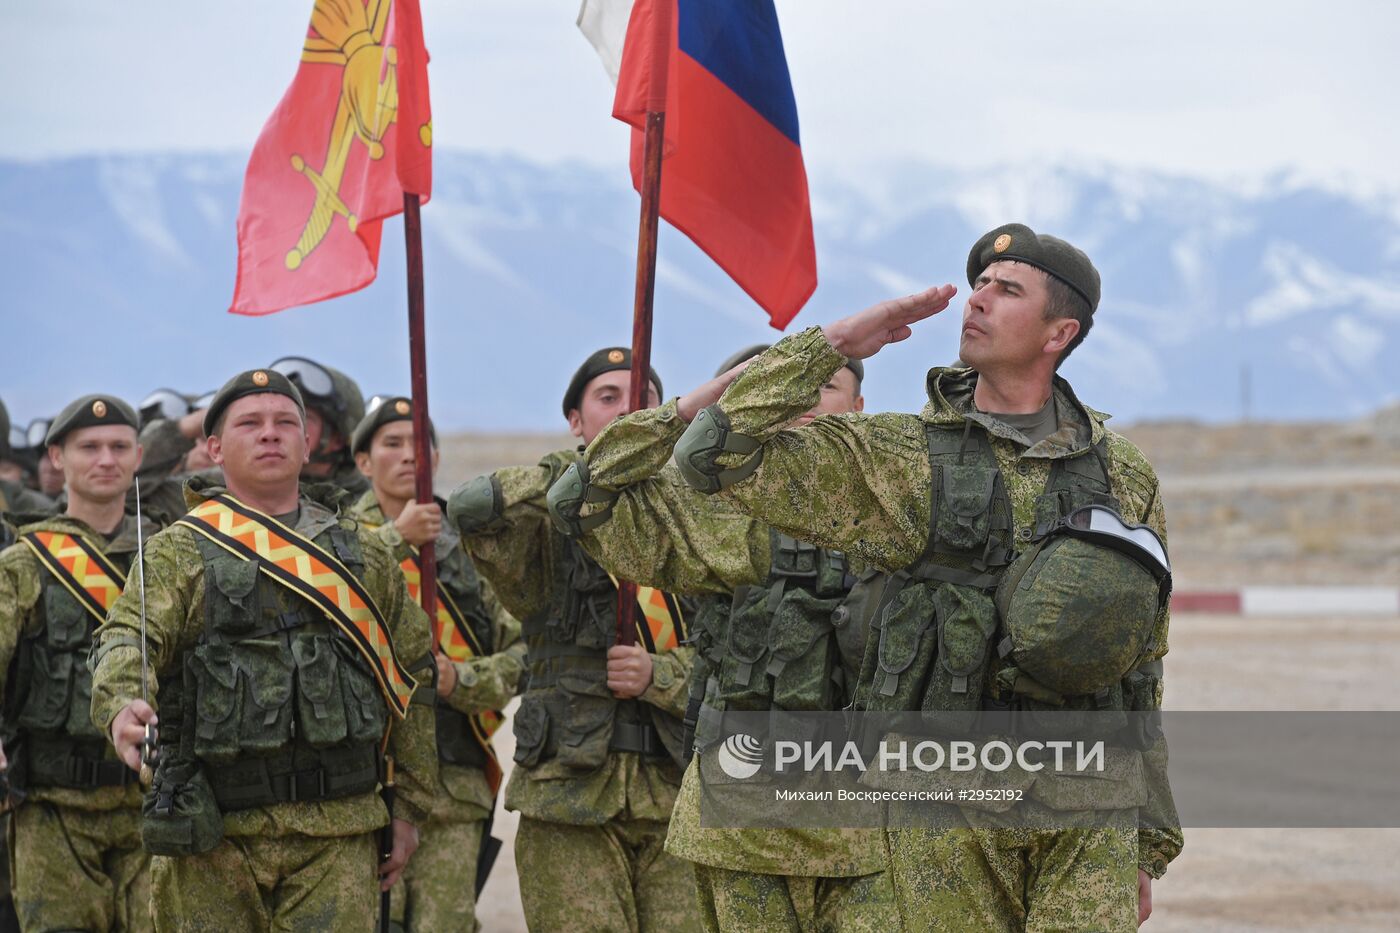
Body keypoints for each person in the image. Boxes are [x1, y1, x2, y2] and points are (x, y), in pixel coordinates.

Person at [657, 224, 1182, 931]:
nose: (978, 300)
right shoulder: (899, 458)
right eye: (978, 286)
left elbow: (1143, 655)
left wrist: (1147, 838)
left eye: (1006, 290)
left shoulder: (1122, 472)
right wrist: (831, 346)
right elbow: (709, 454)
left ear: (1060, 331)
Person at [548, 348, 903, 930]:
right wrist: (682, 413)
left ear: (859, 406)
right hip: (746, 820)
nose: (802, 403)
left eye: (823, 387)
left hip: (877, 827)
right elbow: (578, 501)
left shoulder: (898, 507)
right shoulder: (717, 520)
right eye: (784, 389)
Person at [88, 369, 437, 932]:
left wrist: (409, 809)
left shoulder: (364, 556)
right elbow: (129, 636)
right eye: (249, 424)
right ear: (215, 449)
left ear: (308, 444)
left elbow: (412, 676)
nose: (270, 434)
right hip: (212, 835)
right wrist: (123, 703)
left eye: (286, 424)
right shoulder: (179, 551)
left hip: (340, 831)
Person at [446, 348, 700, 932]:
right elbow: (471, 509)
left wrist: (657, 675)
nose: (626, 411)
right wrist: (582, 474)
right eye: (607, 400)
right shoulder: (542, 529)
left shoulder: (698, 520)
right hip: (569, 797)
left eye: (643, 403)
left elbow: (731, 654)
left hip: (677, 798)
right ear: (576, 422)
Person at [347, 396, 526, 931]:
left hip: (455, 778)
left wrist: (461, 680)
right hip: (365, 779)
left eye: (420, 443)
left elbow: (521, 651)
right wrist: (394, 542)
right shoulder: (335, 540)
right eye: (392, 444)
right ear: (363, 462)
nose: (409, 455)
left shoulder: (473, 545)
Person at [0, 394, 157, 930]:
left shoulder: (169, 554)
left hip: (153, 807)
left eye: (119, 446)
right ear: (57, 458)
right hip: (53, 807)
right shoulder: (24, 563)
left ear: (139, 456)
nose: (106, 459)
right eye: (89, 447)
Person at [268, 356, 369, 496]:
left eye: (301, 416)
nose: (271, 430)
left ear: (338, 439)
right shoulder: (238, 491)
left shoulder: (378, 506)